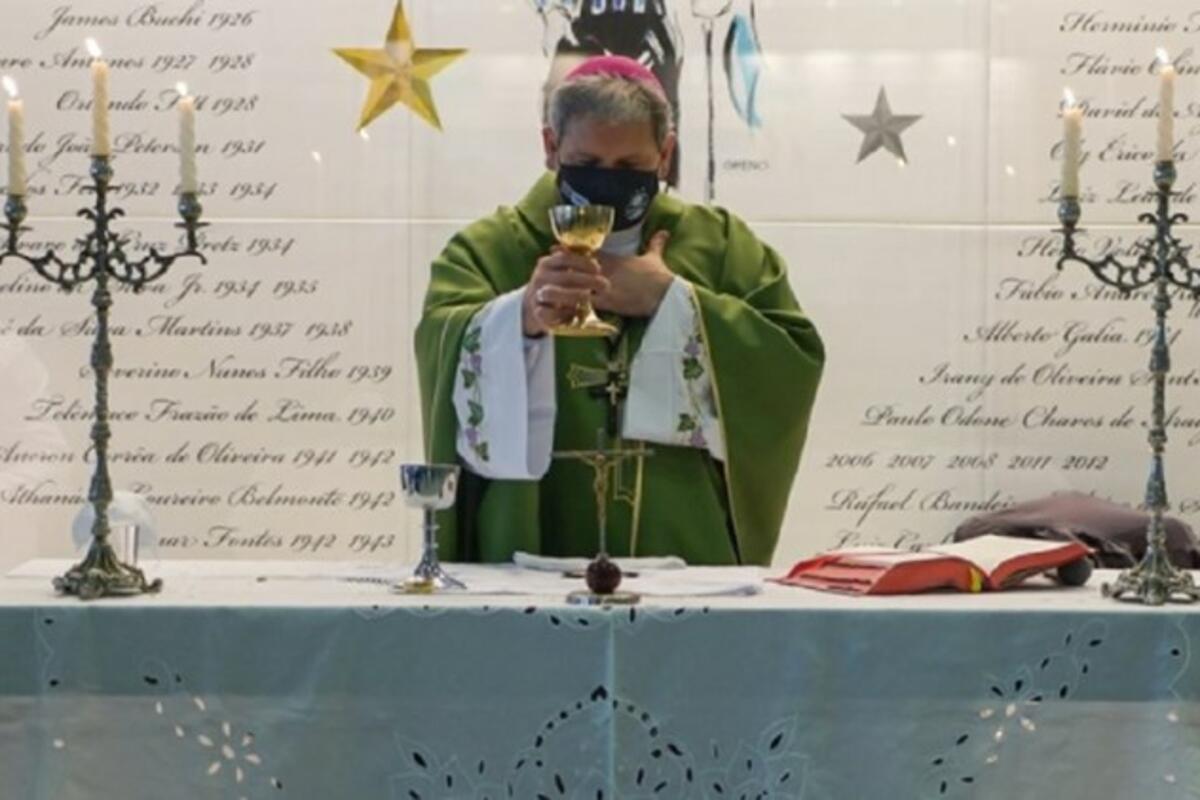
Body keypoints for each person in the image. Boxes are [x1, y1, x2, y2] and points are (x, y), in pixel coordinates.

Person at [415, 55, 823, 565]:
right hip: (532, 533)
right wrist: (520, 319)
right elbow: (440, 340)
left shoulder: (720, 246)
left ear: (665, 154)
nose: (607, 180)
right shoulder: (490, 249)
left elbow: (791, 361)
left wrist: (671, 299)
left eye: (629, 167)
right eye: (587, 163)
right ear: (551, 147)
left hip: (680, 536)